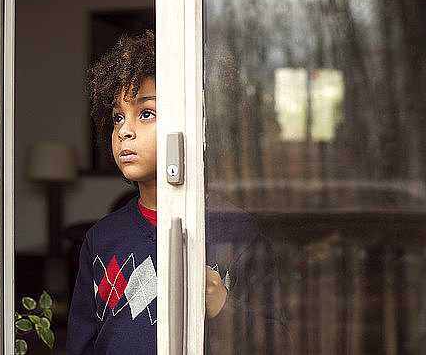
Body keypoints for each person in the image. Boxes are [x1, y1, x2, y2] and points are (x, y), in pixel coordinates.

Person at [66, 31, 291, 354]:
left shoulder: (239, 234)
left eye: (146, 113)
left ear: (195, 126)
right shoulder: (103, 238)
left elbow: (276, 344)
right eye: (117, 117)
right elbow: (81, 345)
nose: (124, 131)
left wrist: (221, 303)